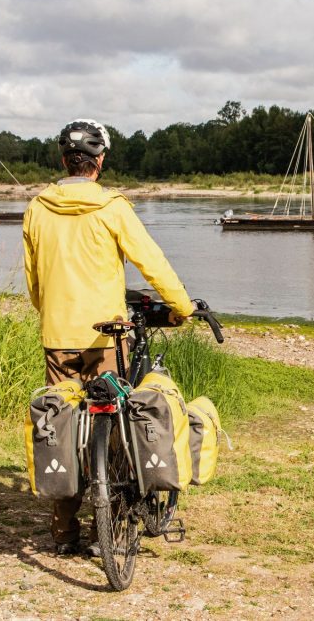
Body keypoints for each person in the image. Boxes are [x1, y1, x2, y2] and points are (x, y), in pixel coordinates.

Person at [22, 118, 193, 556]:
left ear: (64, 160)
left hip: (58, 333)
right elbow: (150, 261)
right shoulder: (112, 206)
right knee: (112, 425)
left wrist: (52, 314)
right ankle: (110, 528)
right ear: (99, 162)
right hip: (105, 339)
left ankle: (63, 532)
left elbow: (34, 282)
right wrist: (182, 306)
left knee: (60, 424)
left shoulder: (38, 207)